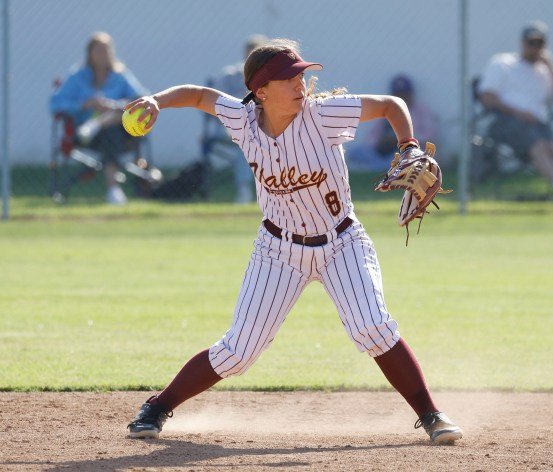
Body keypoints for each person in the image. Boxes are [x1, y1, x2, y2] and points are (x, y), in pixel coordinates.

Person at [125, 38, 463, 445]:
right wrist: (156, 100)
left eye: (301, 73)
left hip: (342, 242)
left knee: (373, 328)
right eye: (289, 77)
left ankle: (431, 414)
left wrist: (407, 145)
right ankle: (157, 407)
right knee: (238, 351)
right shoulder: (242, 119)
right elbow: (199, 95)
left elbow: (392, 105)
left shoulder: (323, 115)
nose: (301, 82)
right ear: (262, 91)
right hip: (277, 250)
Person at [478, 21, 553, 193]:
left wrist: (552, 68)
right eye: (531, 43)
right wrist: (518, 112)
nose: (535, 47)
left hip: (537, 124)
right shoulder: (503, 63)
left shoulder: (546, 70)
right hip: (506, 122)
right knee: (539, 144)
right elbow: (487, 98)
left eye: (539, 43)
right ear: (522, 43)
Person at [50, 32, 148, 204]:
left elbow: (143, 100)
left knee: (114, 121)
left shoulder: (121, 75)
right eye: (99, 51)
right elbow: (55, 104)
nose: (104, 55)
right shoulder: (77, 77)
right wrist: (85, 105)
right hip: (85, 136)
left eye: (107, 50)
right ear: (89, 54)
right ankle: (113, 189)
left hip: (123, 132)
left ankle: (96, 124)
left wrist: (113, 105)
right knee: (110, 132)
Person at [204, 34, 268, 203]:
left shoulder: (271, 79)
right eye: (251, 53)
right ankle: (243, 189)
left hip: (263, 128)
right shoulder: (229, 75)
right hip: (229, 127)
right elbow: (212, 104)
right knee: (244, 137)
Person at [346, 74, 437, 171]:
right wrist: (381, 141)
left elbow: (430, 135)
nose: (402, 97)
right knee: (356, 152)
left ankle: (382, 168)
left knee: (410, 158)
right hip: (384, 152)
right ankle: (386, 167)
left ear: (411, 94)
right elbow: (371, 137)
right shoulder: (387, 109)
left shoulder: (421, 110)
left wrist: (401, 139)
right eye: (398, 94)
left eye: (404, 94)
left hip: (406, 150)